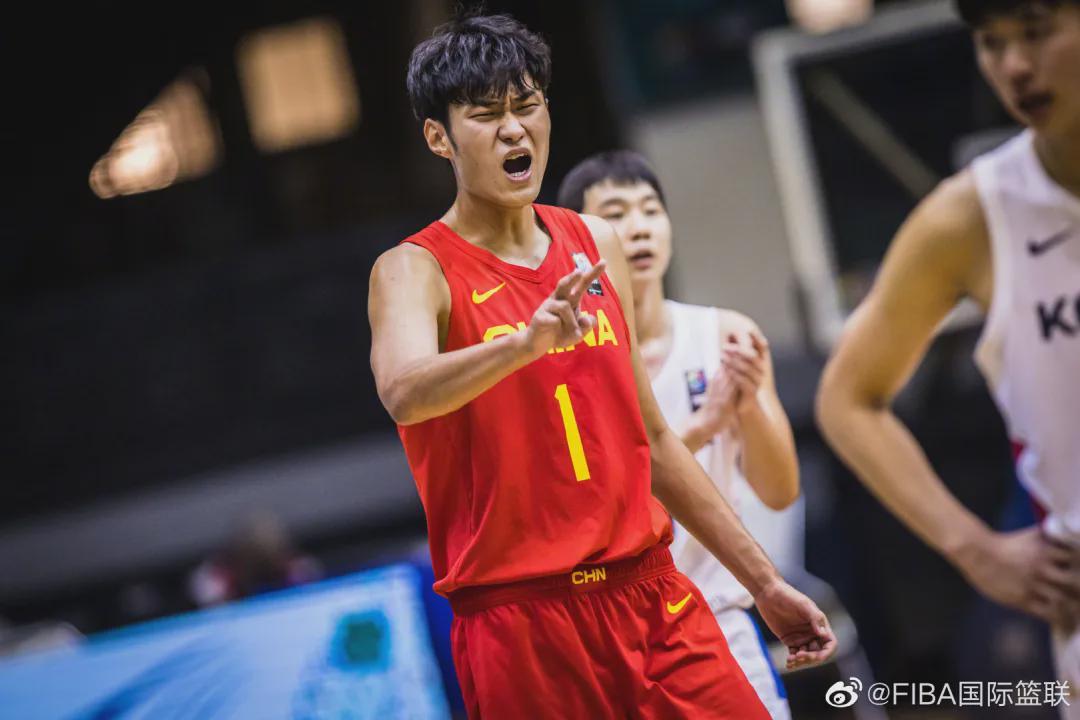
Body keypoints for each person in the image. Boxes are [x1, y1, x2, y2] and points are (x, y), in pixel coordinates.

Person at [368, 13, 835, 719]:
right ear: (439, 137)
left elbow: (654, 440)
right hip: (521, 622)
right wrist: (520, 345)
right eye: (486, 116)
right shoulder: (412, 269)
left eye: (527, 106)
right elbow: (404, 392)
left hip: (651, 595)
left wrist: (764, 583)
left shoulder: (596, 242)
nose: (514, 130)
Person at [816, 0, 1080, 710]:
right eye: (992, 43)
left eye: (1035, 33)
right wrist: (975, 548)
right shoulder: (970, 217)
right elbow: (847, 399)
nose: (1014, 66)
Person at [558, 149, 799, 719]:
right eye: (616, 214)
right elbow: (596, 505)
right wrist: (700, 429)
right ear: (579, 243)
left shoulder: (724, 335)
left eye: (650, 209)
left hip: (718, 616)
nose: (639, 227)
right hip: (619, 635)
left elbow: (779, 490)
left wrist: (749, 405)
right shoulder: (566, 357)